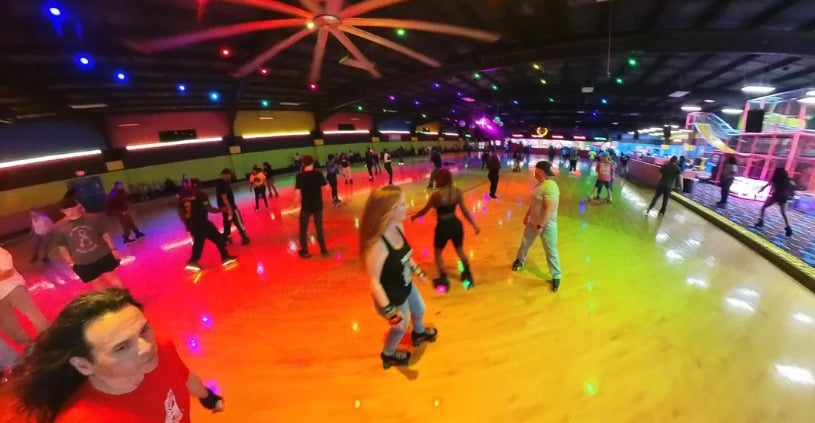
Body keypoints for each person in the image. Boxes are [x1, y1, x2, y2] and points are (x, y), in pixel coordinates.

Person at [15, 288, 224, 423]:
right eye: (122, 347)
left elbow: (183, 377)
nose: (146, 347)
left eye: (143, 330)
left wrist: (208, 397)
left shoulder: (160, 349)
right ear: (84, 365)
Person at [360, 185, 437, 369]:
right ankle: (388, 353)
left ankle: (418, 333)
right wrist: (390, 312)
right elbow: (375, 282)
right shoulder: (377, 245)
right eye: (402, 204)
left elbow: (405, 255)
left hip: (407, 284)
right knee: (400, 328)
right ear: (389, 211)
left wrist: (418, 272)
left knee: (420, 309)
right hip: (392, 296)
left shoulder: (398, 226)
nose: (407, 206)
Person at [410, 169, 480, 292]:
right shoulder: (457, 192)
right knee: (460, 250)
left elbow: (425, 210)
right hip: (455, 224)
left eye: (437, 178)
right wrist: (474, 224)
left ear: (441, 179)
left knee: (438, 253)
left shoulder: (436, 196)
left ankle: (443, 278)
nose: (435, 180)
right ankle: (467, 274)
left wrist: (415, 216)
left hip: (443, 226)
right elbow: (464, 211)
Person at [511, 161, 562, 292]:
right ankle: (520, 260)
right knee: (525, 243)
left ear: (541, 171)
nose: (534, 171)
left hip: (547, 225)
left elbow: (549, 209)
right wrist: (527, 215)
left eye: (536, 169)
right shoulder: (539, 185)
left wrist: (541, 225)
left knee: (551, 250)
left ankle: (556, 276)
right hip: (533, 222)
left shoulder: (551, 187)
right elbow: (534, 204)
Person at [54, 198, 123, 290]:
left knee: (112, 278)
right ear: (62, 211)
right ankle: (106, 301)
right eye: (67, 210)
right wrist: (70, 262)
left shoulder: (93, 218)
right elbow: (62, 246)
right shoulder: (59, 227)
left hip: (102, 255)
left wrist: (113, 249)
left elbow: (105, 235)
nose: (71, 212)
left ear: (78, 206)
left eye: (72, 208)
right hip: (83, 261)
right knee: (97, 283)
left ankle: (123, 298)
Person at [178, 178, 237, 271]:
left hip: (192, 224)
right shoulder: (200, 194)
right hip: (202, 223)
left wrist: (186, 223)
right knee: (218, 238)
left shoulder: (183, 197)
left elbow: (180, 212)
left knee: (198, 242)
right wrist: (221, 210)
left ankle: (193, 261)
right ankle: (225, 257)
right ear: (198, 185)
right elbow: (209, 208)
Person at [0, 246, 49, 348]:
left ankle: (49, 339)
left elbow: (7, 269)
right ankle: (30, 347)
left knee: (36, 317)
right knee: (11, 329)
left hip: (12, 288)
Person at [295, 155, 329, 258]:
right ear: (312, 163)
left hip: (306, 206)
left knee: (303, 230)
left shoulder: (300, 176)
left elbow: (297, 194)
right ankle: (324, 250)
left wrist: (296, 201)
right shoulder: (318, 174)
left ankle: (305, 252)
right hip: (318, 205)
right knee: (319, 228)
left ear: (303, 164)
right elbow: (327, 187)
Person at [755, 167, 795, 237]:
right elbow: (791, 186)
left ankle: (761, 221)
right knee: (783, 213)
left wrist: (760, 190)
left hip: (776, 195)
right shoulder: (787, 179)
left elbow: (767, 185)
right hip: (784, 196)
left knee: (764, 207)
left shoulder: (775, 178)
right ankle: (788, 228)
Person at [216, 169, 250, 246]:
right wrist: (230, 208)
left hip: (224, 208)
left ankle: (225, 239)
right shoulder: (223, 184)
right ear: (225, 175)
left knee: (227, 223)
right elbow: (224, 197)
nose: (230, 177)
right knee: (238, 221)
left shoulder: (220, 184)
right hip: (230, 207)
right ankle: (244, 237)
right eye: (229, 175)